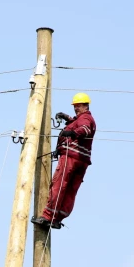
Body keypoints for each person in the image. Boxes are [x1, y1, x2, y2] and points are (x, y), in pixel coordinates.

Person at [31, 92, 96, 229]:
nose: (76, 108)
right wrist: (67, 118)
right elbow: (79, 123)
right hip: (82, 161)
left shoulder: (85, 119)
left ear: (86, 106)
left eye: (78, 106)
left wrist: (73, 133)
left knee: (59, 186)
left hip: (71, 157)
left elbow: (84, 129)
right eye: (75, 106)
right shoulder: (85, 118)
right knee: (70, 190)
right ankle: (57, 218)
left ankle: (47, 216)